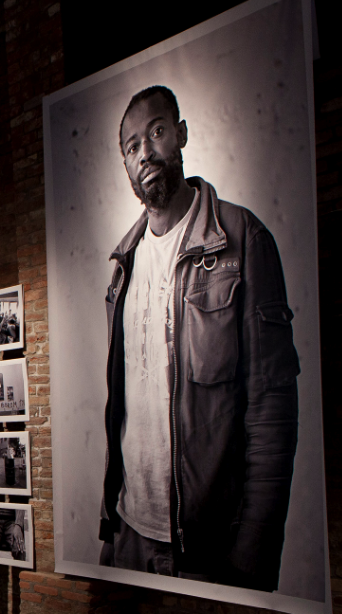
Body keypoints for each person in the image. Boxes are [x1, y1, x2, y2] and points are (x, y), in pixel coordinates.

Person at [98, 86, 300, 591]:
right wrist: (109, 531)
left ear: (182, 135)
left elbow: (272, 408)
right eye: (131, 145)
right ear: (125, 166)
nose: (145, 151)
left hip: (208, 549)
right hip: (127, 539)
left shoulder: (243, 240)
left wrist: (254, 549)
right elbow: (123, 410)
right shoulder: (121, 269)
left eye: (157, 132)